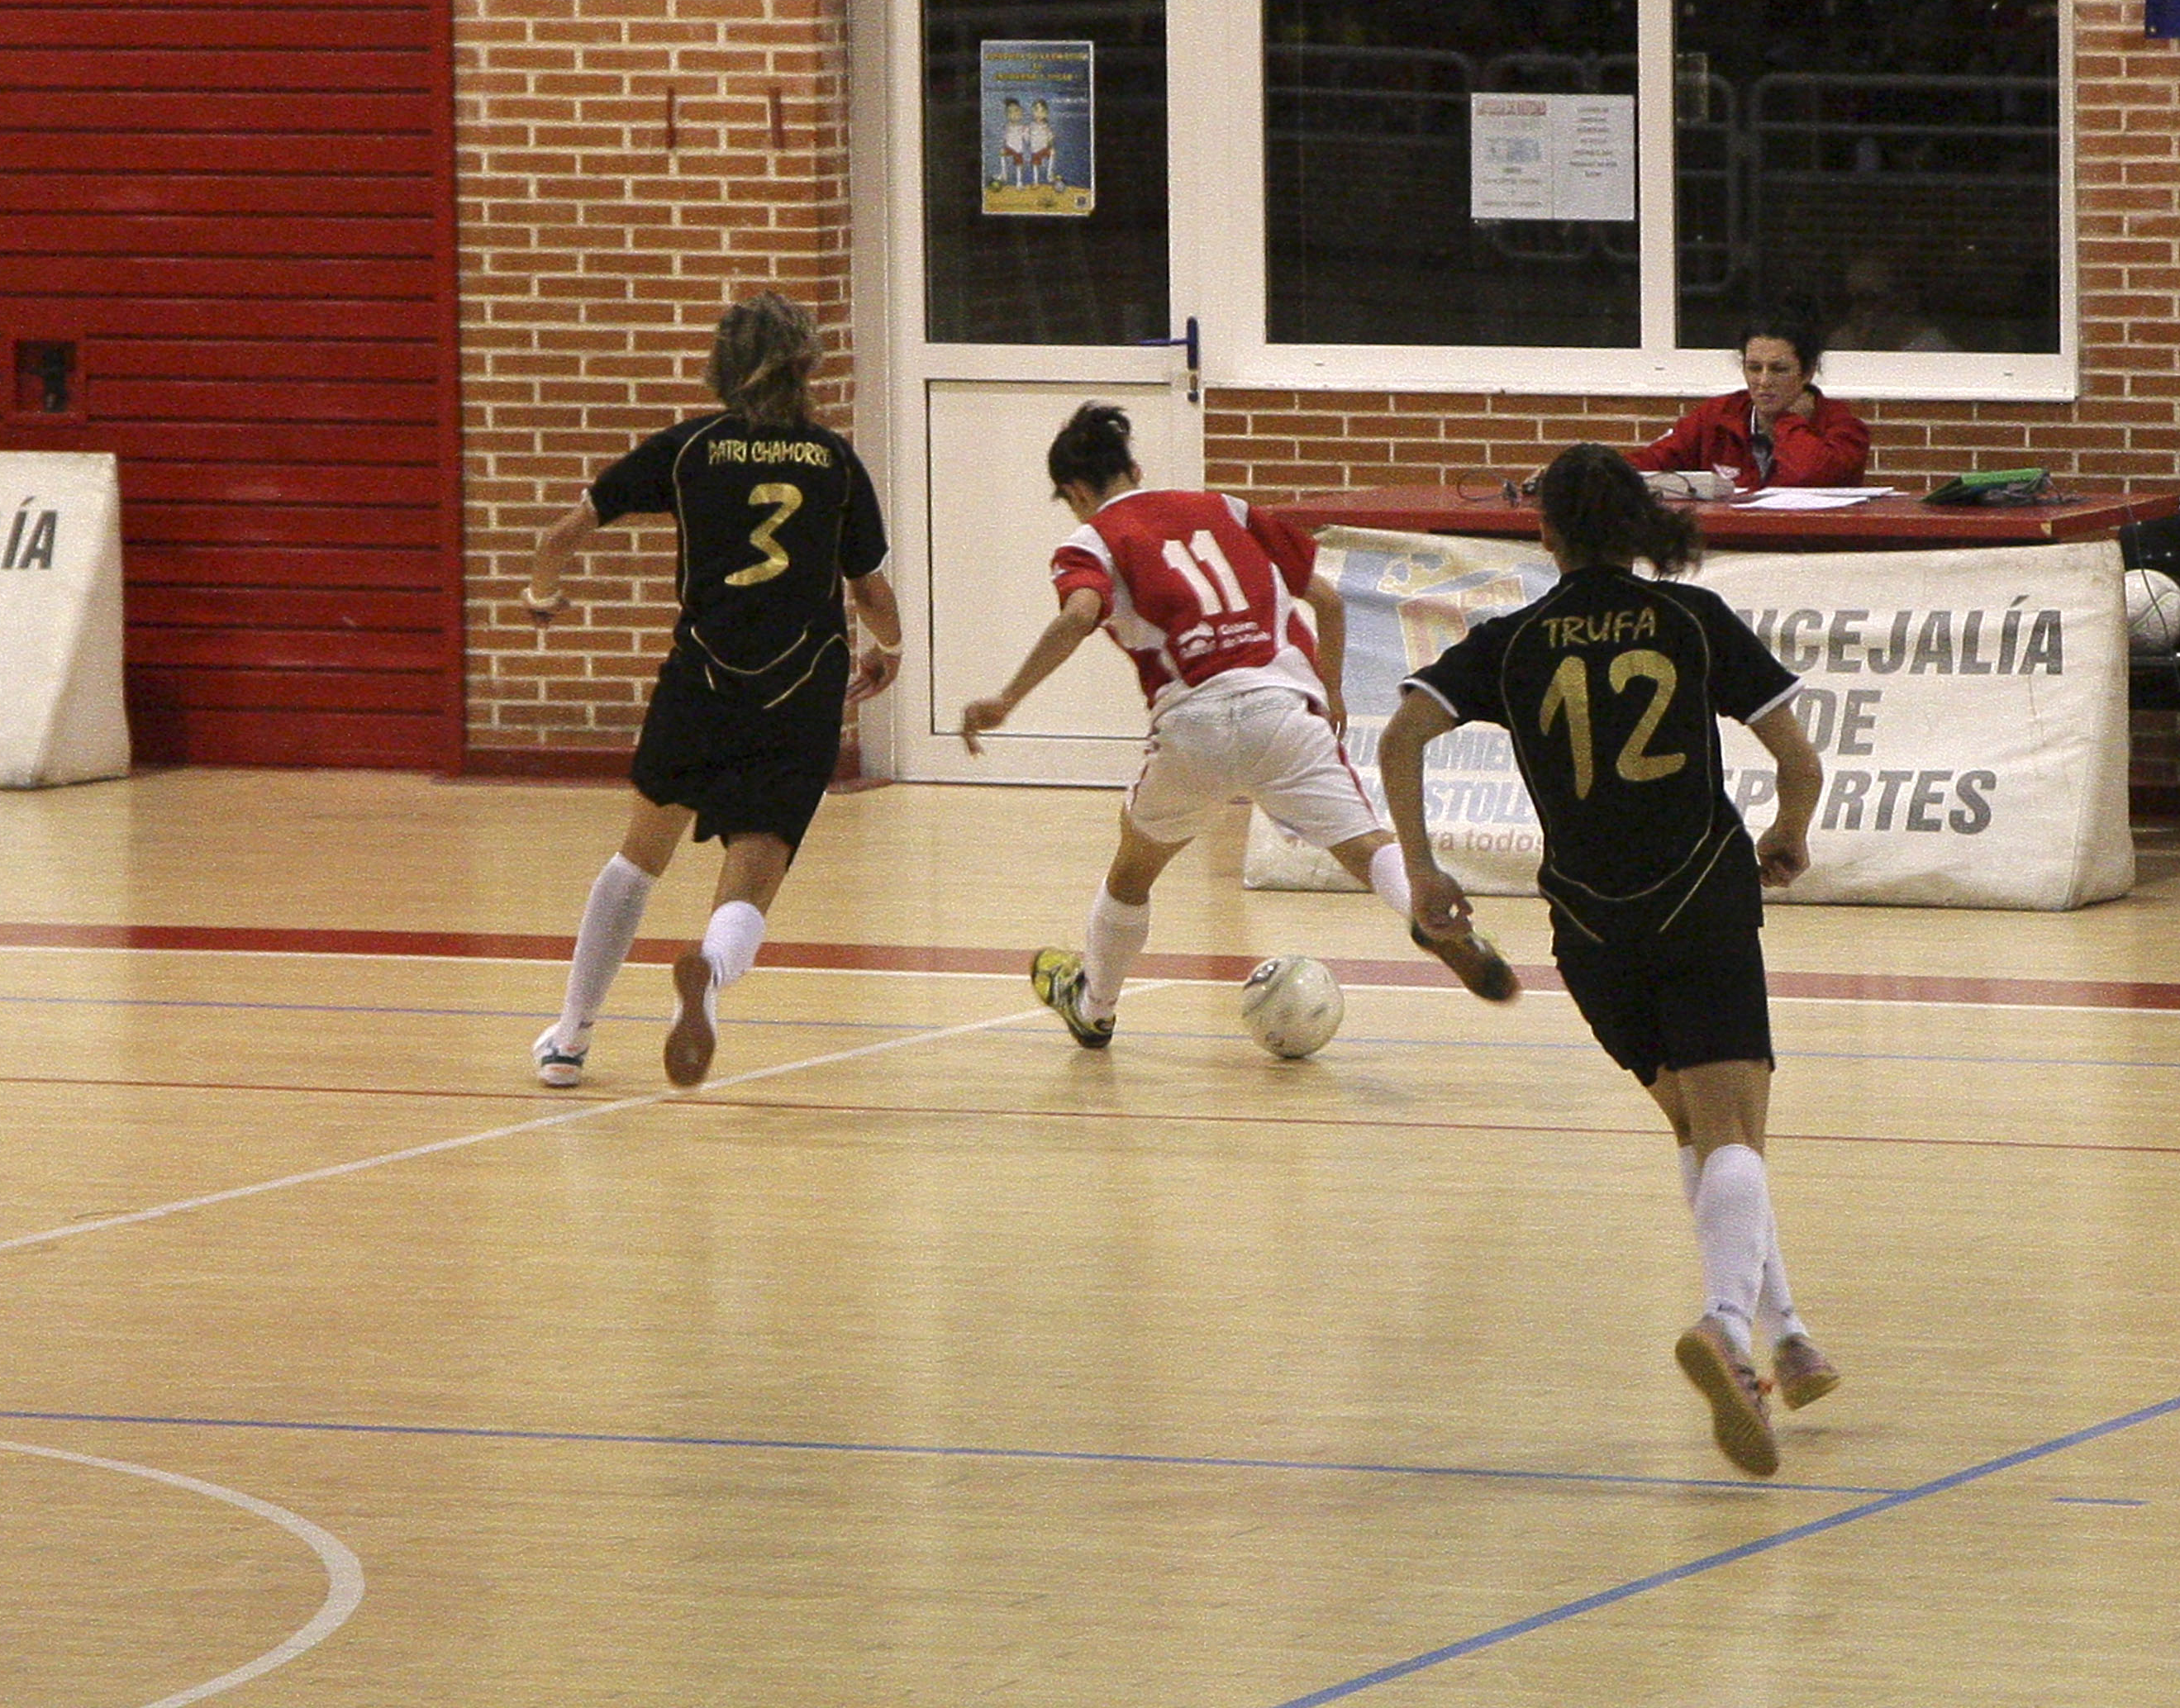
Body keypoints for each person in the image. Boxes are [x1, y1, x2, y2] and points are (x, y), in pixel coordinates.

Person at [1377, 442, 1831, 1478]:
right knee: (1737, 1129)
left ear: (1544, 534)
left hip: (1587, 923)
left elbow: (1401, 739)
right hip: (1699, 897)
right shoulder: (1694, 622)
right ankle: (1727, 1326)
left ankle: (1793, 1335)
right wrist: (1790, 833)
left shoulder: (1514, 638)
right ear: (1638, 525)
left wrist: (1426, 873)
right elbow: (1798, 761)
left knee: (1695, 1123)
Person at [959, 401, 1517, 1046]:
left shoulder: (1089, 542)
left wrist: (1006, 699)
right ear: (1135, 468)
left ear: (1078, 492)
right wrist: (1332, 691)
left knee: (1133, 869)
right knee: (1366, 848)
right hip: (1283, 706)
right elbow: (1327, 600)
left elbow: (1078, 616)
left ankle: (1096, 1005)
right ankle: (1429, 914)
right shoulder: (1225, 507)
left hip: (1193, 722)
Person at [521, 293, 902, 1090]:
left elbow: (563, 534)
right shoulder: (834, 460)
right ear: (807, 369)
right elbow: (870, 588)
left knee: (638, 859)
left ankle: (570, 1038)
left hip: (702, 678)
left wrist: (543, 595)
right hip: (802, 684)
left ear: (722, 368)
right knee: (758, 860)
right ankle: (708, 979)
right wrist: (889, 651)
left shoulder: (689, 450)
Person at [1624, 313, 1869, 492]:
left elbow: (1808, 475)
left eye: (1778, 369)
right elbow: (1647, 465)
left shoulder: (1844, 428)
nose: (1763, 381)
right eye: (1753, 368)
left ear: (1807, 373)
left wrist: (1789, 423)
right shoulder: (1717, 416)